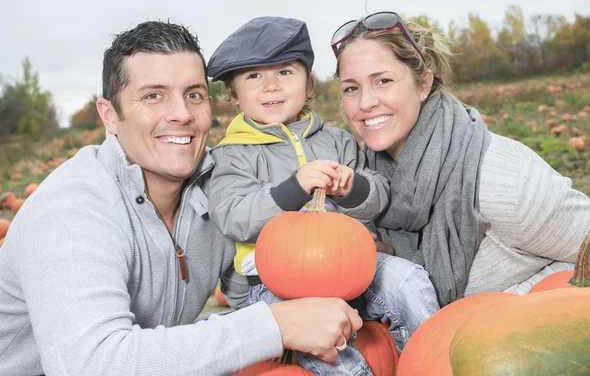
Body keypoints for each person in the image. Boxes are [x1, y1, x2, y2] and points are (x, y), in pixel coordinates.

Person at [0, 20, 365, 376]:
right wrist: (276, 325)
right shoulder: (73, 209)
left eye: (194, 95)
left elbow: (251, 295)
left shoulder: (220, 190)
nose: (181, 115)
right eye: (153, 96)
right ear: (110, 115)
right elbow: (91, 364)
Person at [206, 16, 439, 375]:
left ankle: (430, 363)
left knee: (407, 280)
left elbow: (378, 197)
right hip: (275, 283)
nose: (271, 86)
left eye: (285, 72)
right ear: (234, 95)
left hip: (348, 265)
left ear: (308, 83)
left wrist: (352, 188)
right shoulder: (232, 154)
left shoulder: (337, 141)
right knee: (321, 336)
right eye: (254, 77)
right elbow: (234, 217)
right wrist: (292, 188)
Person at [330, 11, 590, 308]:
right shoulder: (363, 183)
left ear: (423, 84)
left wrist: (502, 311)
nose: (366, 102)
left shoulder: (505, 181)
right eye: (351, 88)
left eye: (383, 81)